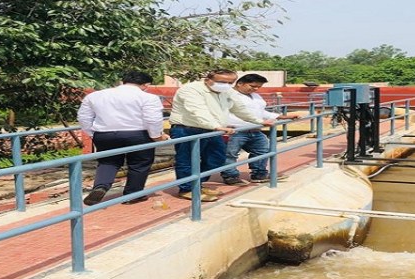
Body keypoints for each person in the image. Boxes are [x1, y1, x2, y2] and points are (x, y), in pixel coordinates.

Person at [168, 69, 275, 202]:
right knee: (187, 160)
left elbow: (239, 109)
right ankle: (187, 189)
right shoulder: (191, 90)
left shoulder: (228, 91)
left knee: (217, 160)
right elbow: (197, 110)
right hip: (188, 129)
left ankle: (197, 183)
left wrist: (259, 121)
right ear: (208, 80)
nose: (226, 85)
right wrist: (216, 126)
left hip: (213, 130)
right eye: (222, 82)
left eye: (230, 82)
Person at [77, 71, 169, 206]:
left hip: (104, 134)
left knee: (108, 162)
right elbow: (153, 120)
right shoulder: (148, 98)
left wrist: (92, 133)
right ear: (145, 84)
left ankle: (101, 186)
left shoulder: (95, 96)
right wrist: (157, 136)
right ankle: (133, 194)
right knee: (139, 163)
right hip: (138, 134)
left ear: (123, 81)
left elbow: (83, 117)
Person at [221, 73, 300, 185]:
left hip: (255, 130)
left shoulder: (256, 96)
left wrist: (283, 116)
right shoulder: (227, 95)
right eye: (253, 86)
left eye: (258, 87)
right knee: (230, 154)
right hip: (235, 130)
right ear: (240, 83)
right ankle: (230, 176)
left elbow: (261, 112)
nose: (256, 89)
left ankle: (259, 174)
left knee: (262, 150)